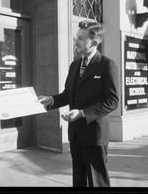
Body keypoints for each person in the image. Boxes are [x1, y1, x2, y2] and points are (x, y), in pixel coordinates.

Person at [38, 20, 119, 187]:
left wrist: (82, 113)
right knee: (79, 180)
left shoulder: (107, 65)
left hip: (95, 135)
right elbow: (68, 95)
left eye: (81, 38)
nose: (76, 41)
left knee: (98, 182)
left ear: (95, 42)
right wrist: (51, 100)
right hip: (75, 135)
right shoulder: (75, 65)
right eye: (77, 37)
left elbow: (112, 101)